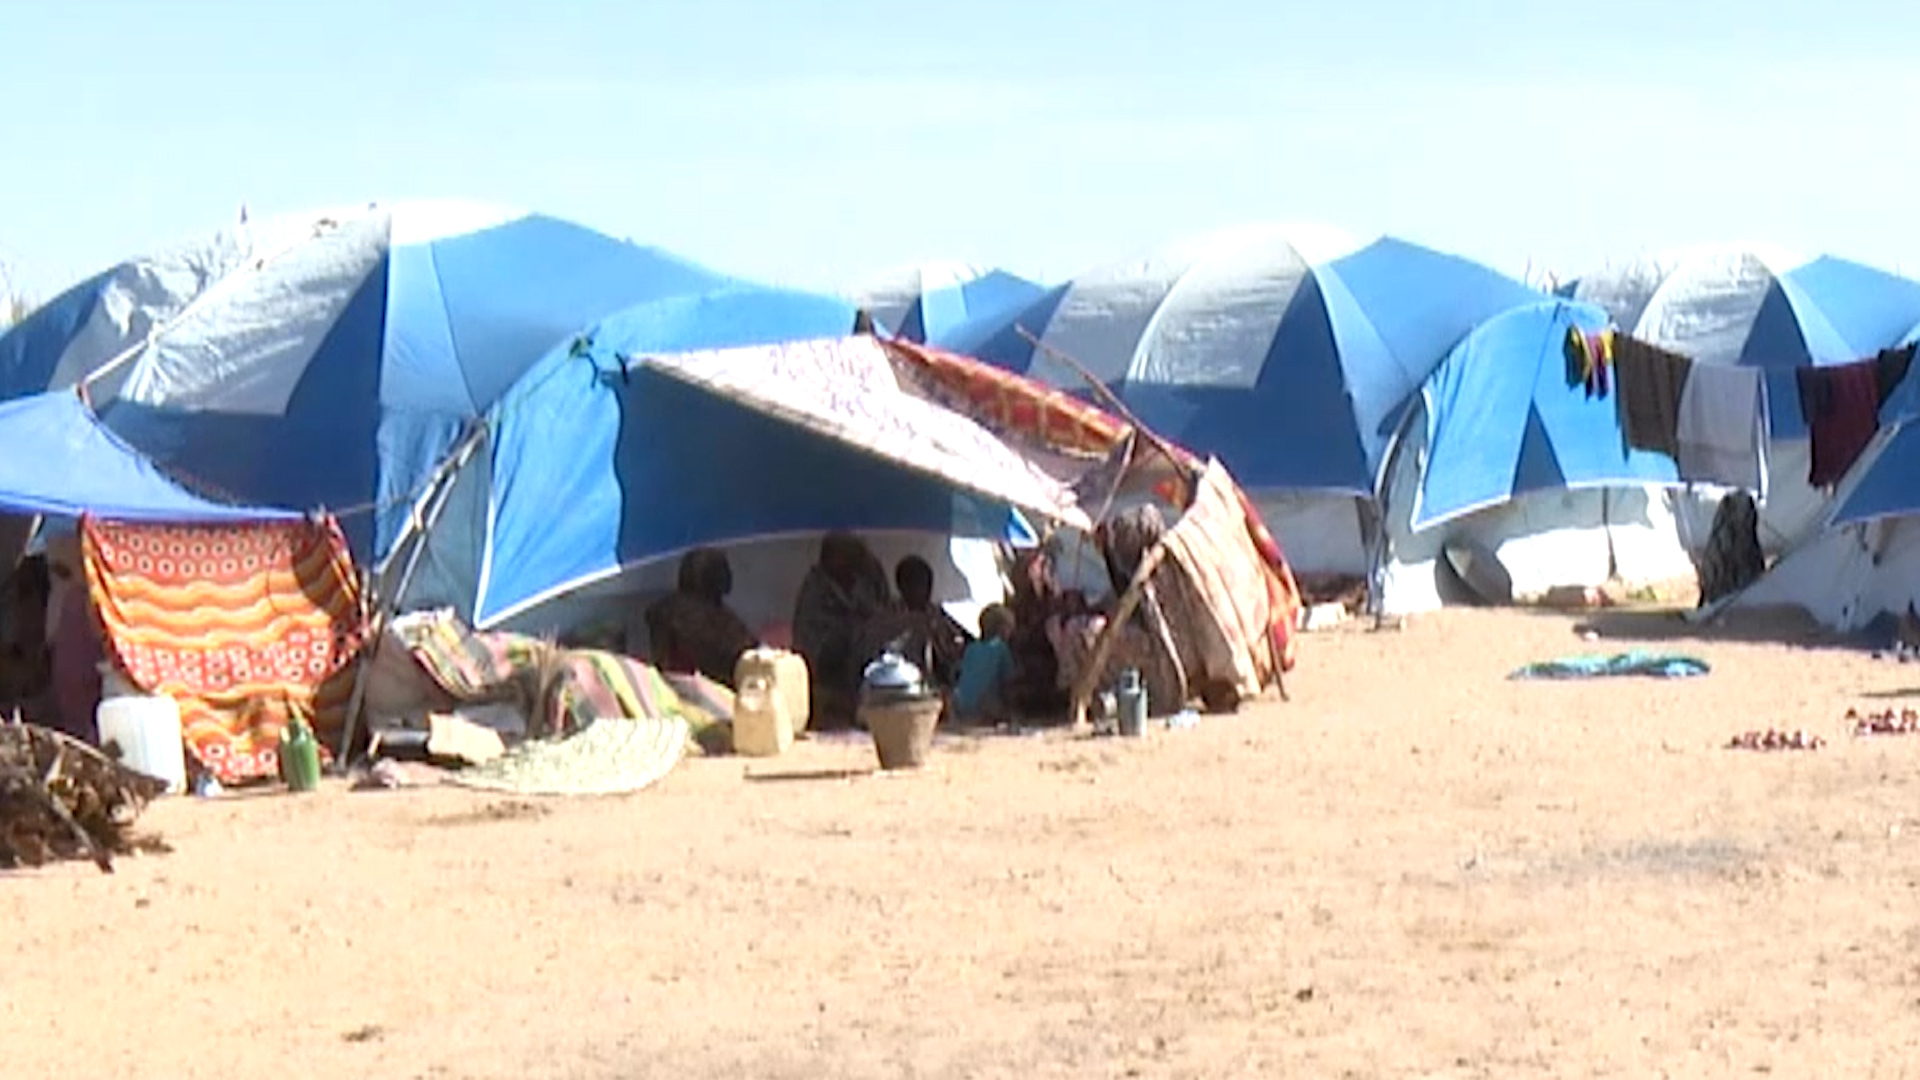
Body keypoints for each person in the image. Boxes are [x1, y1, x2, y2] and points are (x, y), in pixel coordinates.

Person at [792, 531, 892, 727]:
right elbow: (813, 626)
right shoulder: (815, 584)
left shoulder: (861, 582)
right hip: (820, 650)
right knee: (853, 638)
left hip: (859, 645)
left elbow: (879, 611)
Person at [643, 547, 757, 688]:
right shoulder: (722, 624)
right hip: (710, 695)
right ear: (719, 578)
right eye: (725, 572)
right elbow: (750, 657)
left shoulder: (662, 612)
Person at [861, 555, 972, 689]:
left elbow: (958, 644)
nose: (925, 589)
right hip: (895, 686)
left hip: (935, 686)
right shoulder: (888, 617)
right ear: (902, 585)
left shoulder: (938, 614)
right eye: (917, 583)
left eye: (927, 583)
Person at [951, 603, 1016, 726]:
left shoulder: (971, 648)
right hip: (984, 705)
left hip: (961, 705)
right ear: (1002, 628)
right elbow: (1008, 680)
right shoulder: (1000, 648)